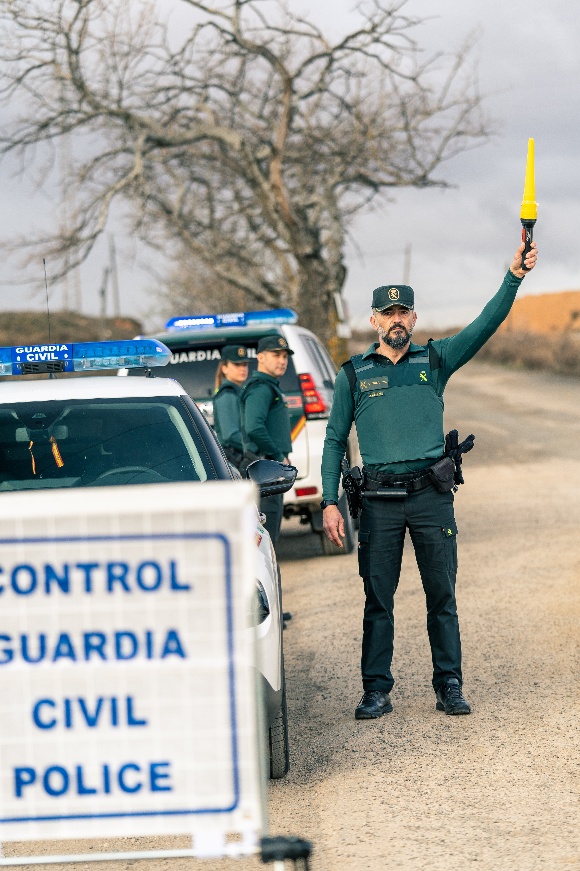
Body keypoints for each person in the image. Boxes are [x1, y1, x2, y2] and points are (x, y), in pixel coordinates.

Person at [321, 240, 538, 720]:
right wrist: (328, 501)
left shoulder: (435, 362)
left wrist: (513, 277)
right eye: (387, 313)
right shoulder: (353, 375)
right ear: (374, 320)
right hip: (377, 502)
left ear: (414, 318)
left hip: (430, 500)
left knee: (442, 595)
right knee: (378, 599)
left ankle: (449, 684)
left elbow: (485, 325)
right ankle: (376, 689)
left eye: (403, 312)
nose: (396, 320)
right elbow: (335, 440)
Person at [241, 335, 293, 545]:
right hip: (264, 468)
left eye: (284, 356)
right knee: (266, 542)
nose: (282, 360)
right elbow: (254, 428)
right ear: (260, 357)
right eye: (276, 355)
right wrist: (279, 455)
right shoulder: (261, 388)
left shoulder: (270, 386)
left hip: (269, 469)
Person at [213, 344, 249, 468]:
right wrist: (255, 447)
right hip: (236, 461)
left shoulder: (238, 391)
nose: (242, 369)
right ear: (224, 368)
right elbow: (231, 436)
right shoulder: (227, 394)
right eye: (237, 365)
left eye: (244, 364)